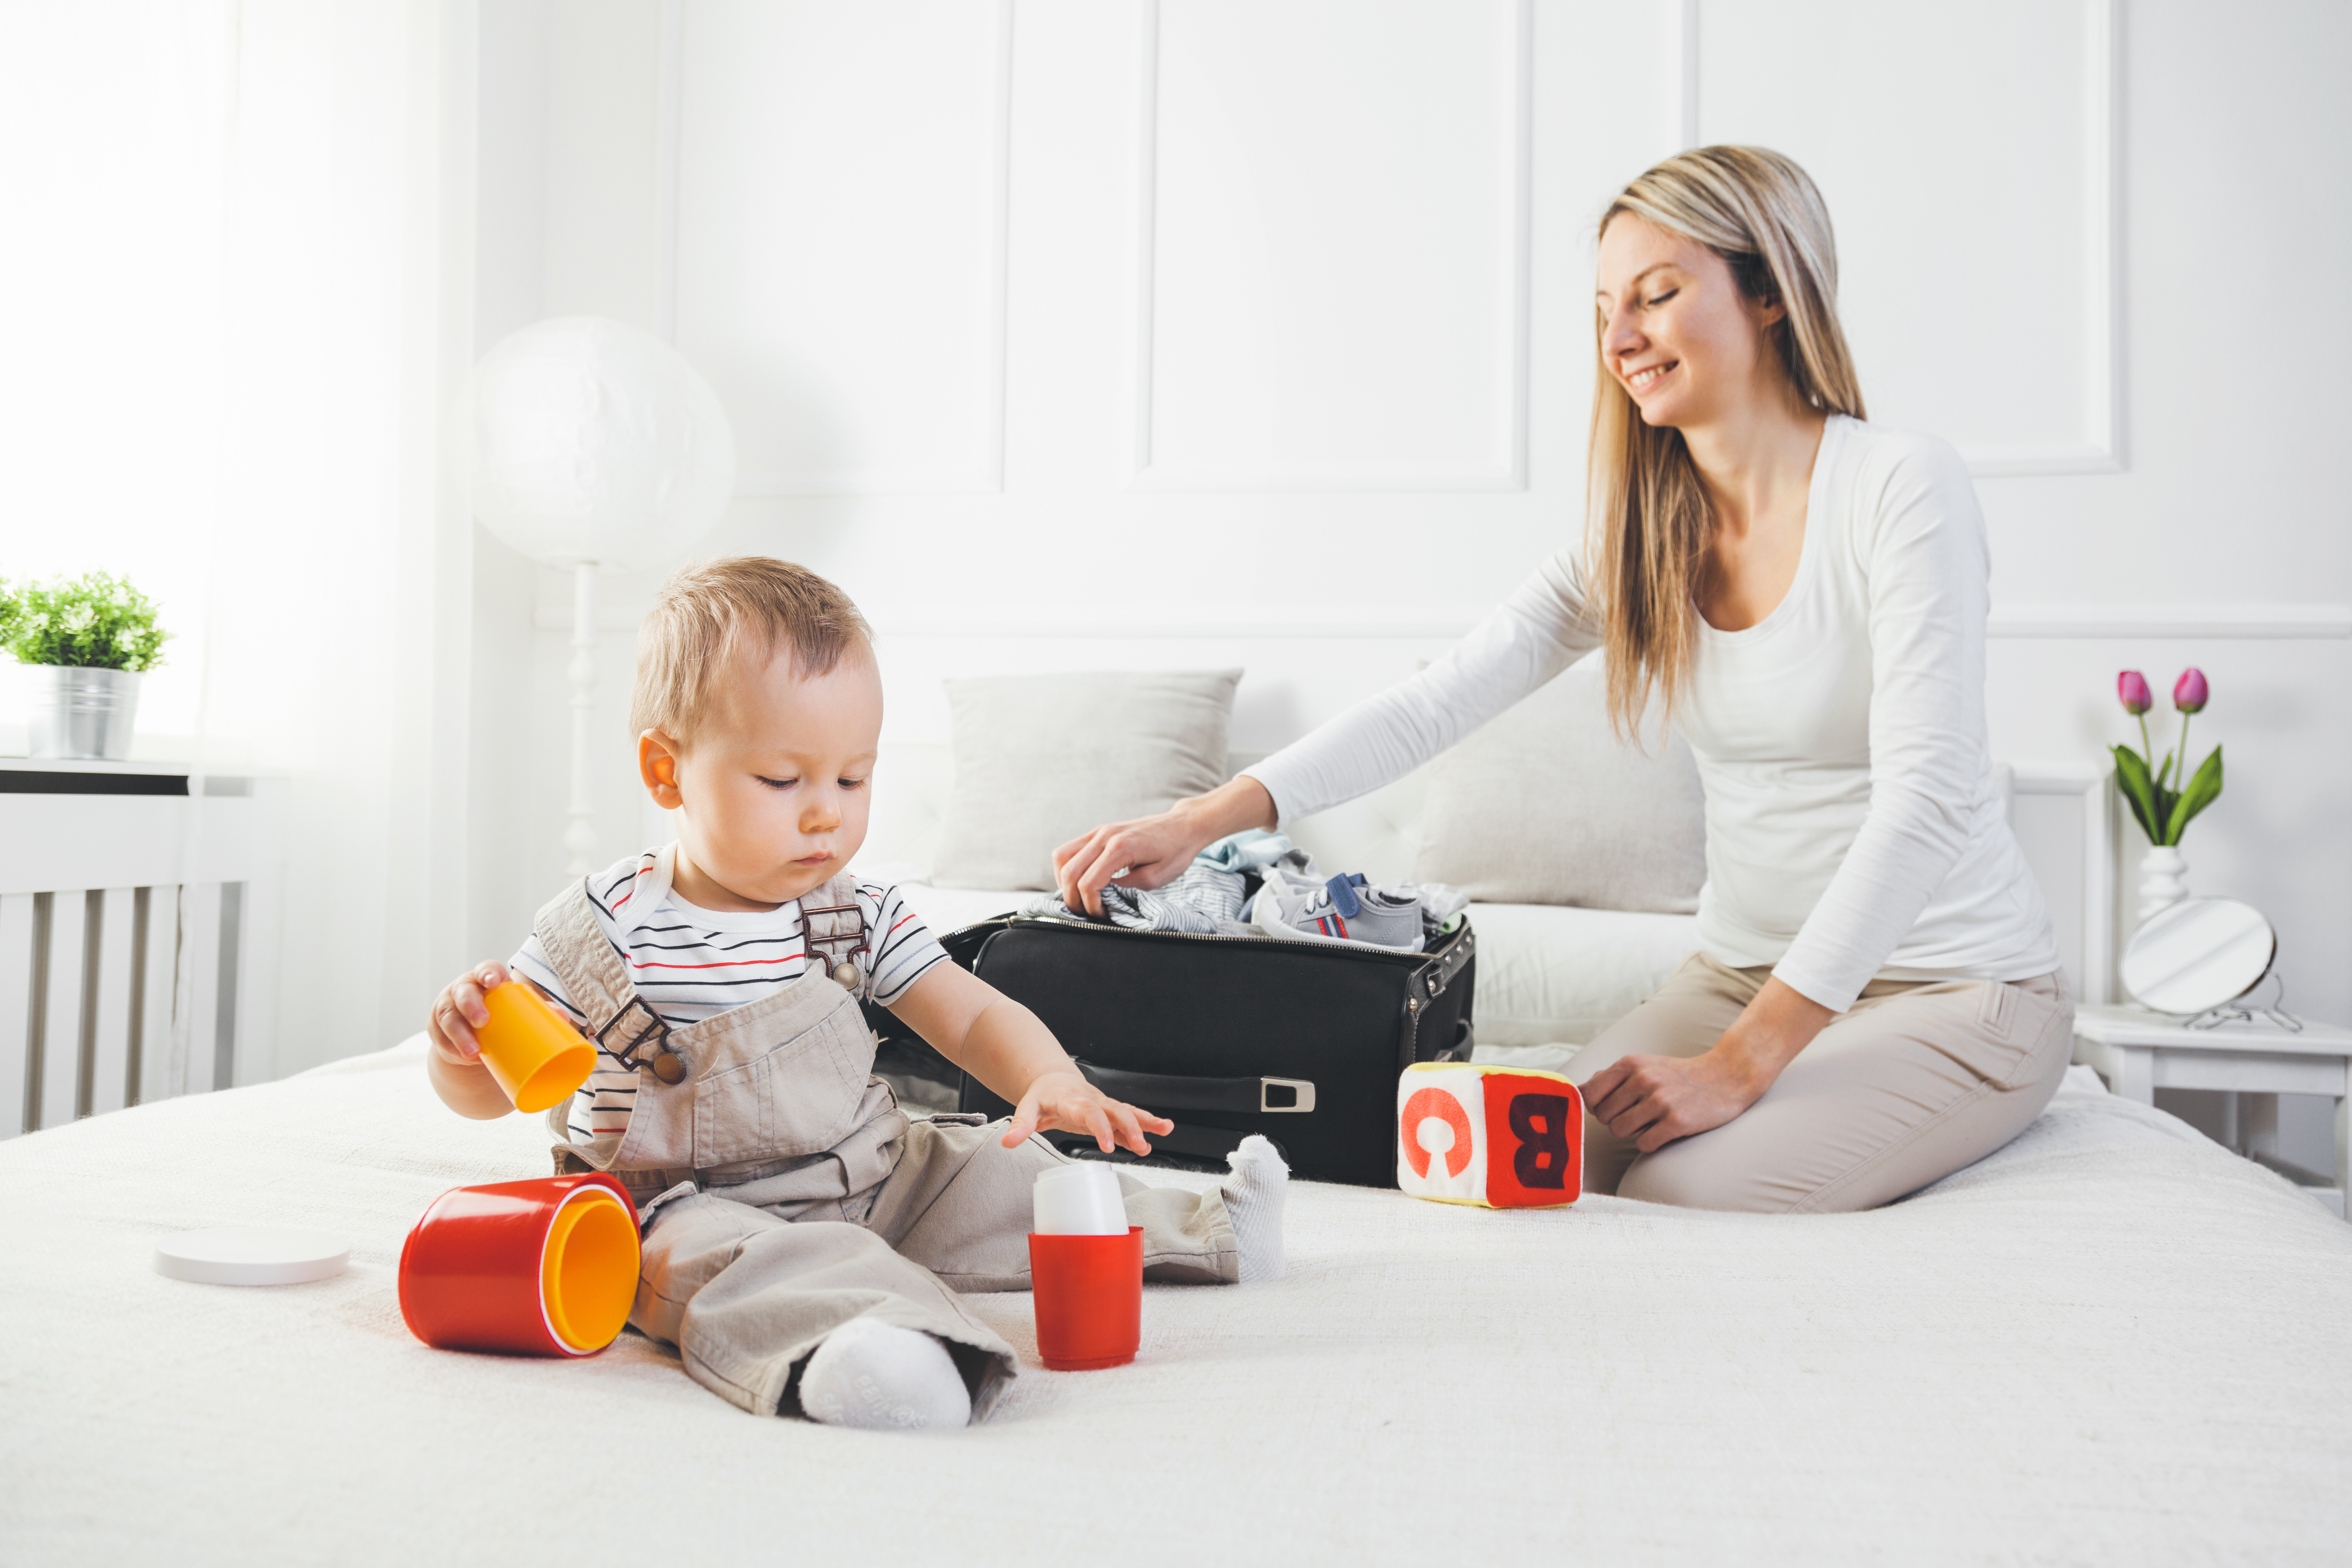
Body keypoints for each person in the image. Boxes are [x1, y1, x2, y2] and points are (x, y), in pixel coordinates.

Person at [1053, 146, 2071, 1215]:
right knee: (1541, 1164)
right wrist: (1201, 820)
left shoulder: (1900, 486)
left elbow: (1925, 800)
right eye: (1603, 309)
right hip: (1739, 973)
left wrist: (1740, 1066)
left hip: (1953, 985)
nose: (1619, 339)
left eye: (1657, 296)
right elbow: (1438, 701)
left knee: (1684, 1189)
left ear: (1771, 291)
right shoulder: (1642, 537)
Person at [425, 557, 1289, 1429]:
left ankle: (1209, 1229)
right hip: (689, 1206)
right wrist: (461, 1050)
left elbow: (972, 1015)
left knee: (1006, 1174)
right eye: (782, 781)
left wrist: (1049, 1077)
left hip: (873, 1170)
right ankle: (873, 1349)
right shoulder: (600, 929)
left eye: (853, 778)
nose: (826, 814)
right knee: (744, 1272)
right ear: (666, 771)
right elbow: (488, 1094)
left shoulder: (855, 913)